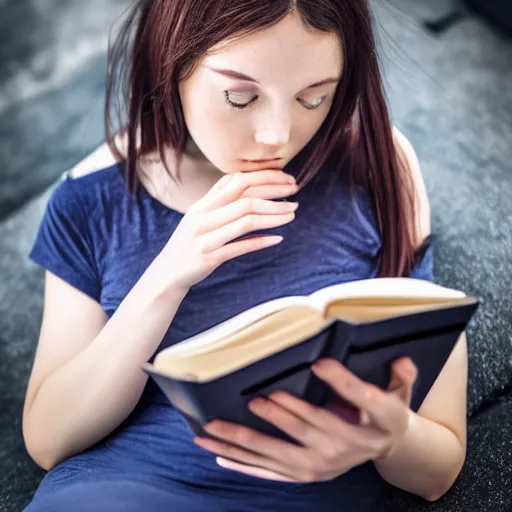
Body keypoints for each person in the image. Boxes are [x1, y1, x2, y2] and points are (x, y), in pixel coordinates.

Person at [21, 1, 469, 511]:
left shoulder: (377, 166)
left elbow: (440, 466)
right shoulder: (91, 200)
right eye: (239, 96)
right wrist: (167, 277)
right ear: (174, 60)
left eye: (313, 97)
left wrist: (389, 438)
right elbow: (49, 440)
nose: (277, 135)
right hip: (118, 493)